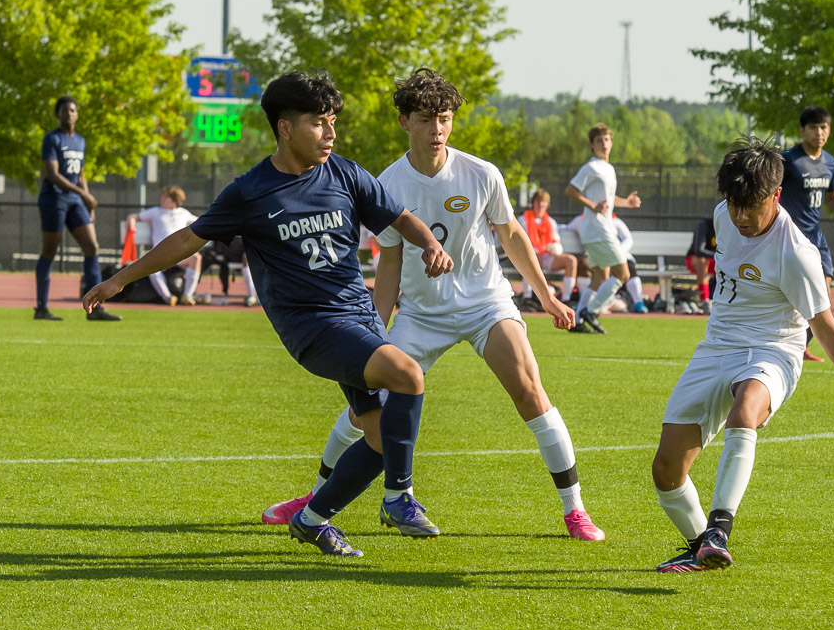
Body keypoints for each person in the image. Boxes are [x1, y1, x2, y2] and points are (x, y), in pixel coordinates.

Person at [83, 70, 453, 558]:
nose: (331, 133)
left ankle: (312, 519)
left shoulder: (344, 173)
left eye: (333, 121)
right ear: (284, 127)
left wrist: (427, 241)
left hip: (359, 316)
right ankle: (398, 497)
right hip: (313, 328)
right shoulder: (251, 191)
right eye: (319, 123)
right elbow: (188, 238)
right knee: (408, 374)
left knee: (384, 437)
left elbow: (397, 215)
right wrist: (120, 278)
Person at [262, 68, 606, 541]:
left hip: (486, 303)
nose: (437, 129)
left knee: (529, 390)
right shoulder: (387, 183)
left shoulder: (482, 173)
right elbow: (389, 262)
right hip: (421, 315)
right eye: (426, 119)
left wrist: (546, 295)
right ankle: (316, 495)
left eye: (444, 118)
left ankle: (576, 510)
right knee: (370, 409)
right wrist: (371, 332)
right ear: (405, 122)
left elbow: (512, 236)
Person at [651, 138, 834, 573]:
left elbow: (824, 326)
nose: (741, 216)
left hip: (773, 349)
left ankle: (720, 528)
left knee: (745, 412)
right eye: (734, 203)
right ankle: (699, 549)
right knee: (666, 470)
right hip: (717, 346)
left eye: (752, 205)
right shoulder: (723, 216)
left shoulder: (797, 254)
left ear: (776, 196)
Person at [781, 105, 834, 361]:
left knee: (823, 296)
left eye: (824, 127)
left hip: (815, 238)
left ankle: (801, 346)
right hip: (790, 237)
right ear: (802, 130)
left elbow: (830, 199)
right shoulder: (788, 160)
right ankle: (788, 343)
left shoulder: (830, 163)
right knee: (790, 296)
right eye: (814, 127)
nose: (819, 132)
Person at [34, 95, 119, 321]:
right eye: (64, 111)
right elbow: (52, 175)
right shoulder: (51, 139)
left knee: (92, 247)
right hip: (53, 199)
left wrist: (86, 200)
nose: (69, 114)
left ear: (77, 114)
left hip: (73, 201)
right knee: (49, 252)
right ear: (58, 114)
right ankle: (41, 308)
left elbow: (80, 174)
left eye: (72, 110)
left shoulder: (80, 141)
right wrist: (83, 194)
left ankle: (95, 309)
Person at [564, 123, 641, 334]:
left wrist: (627, 202)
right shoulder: (590, 168)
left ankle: (578, 320)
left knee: (600, 278)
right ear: (592, 145)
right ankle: (592, 310)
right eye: (599, 140)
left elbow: (608, 198)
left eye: (607, 140)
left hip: (598, 229)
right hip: (597, 229)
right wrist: (593, 206)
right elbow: (571, 190)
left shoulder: (608, 168)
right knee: (623, 274)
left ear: (611, 143)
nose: (604, 144)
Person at [126, 185, 202, 305]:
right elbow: (135, 216)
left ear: (174, 201)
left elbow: (199, 221)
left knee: (196, 258)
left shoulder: (183, 213)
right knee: (151, 264)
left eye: (165, 197)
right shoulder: (155, 211)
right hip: (161, 252)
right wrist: (131, 220)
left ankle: (187, 295)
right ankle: (167, 296)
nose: (161, 199)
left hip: (180, 253)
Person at [517, 188, 578, 308]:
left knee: (571, 260)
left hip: (548, 256)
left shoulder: (550, 221)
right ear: (533, 203)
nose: (540, 204)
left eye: (543, 202)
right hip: (530, 256)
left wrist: (555, 248)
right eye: (538, 201)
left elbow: (557, 242)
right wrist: (534, 252)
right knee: (530, 258)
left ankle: (566, 299)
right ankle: (528, 298)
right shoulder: (523, 219)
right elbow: (520, 242)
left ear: (547, 204)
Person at [684, 216, 717, 314]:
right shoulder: (705, 225)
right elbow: (699, 251)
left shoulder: (732, 227)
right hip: (696, 261)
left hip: (716, 262)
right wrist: (719, 256)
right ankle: (705, 301)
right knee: (701, 261)